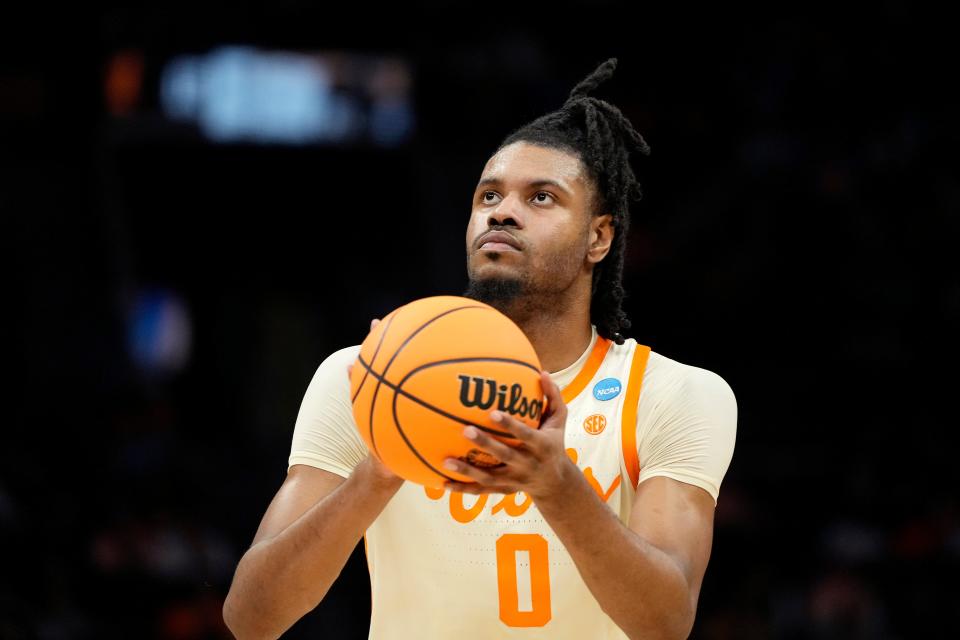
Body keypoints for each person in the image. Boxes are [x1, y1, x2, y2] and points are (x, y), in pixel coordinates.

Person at [223, 57, 737, 640]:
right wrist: (378, 473)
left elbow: (666, 622)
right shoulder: (361, 379)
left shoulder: (674, 393)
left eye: (542, 197)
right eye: (488, 194)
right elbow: (250, 619)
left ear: (598, 237)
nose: (504, 211)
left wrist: (557, 487)